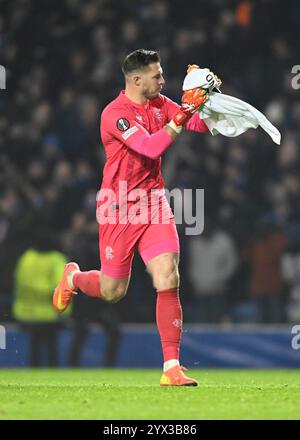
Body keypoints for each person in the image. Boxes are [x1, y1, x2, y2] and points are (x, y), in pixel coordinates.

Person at [53, 49, 211, 386]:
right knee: (112, 291)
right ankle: (74, 279)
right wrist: (181, 118)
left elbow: (197, 123)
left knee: (168, 276)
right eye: (157, 76)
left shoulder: (160, 103)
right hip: (119, 207)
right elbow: (152, 147)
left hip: (153, 202)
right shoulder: (114, 114)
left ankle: (171, 367)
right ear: (136, 80)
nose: (163, 81)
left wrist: (210, 102)